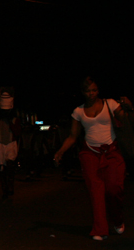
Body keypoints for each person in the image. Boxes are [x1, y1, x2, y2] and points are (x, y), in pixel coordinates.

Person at [53, 77, 133, 241]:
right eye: (88, 91)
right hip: (90, 153)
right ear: (83, 93)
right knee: (96, 192)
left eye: (94, 90)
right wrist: (60, 152)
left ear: (98, 90)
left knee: (114, 189)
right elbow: (73, 136)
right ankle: (100, 229)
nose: (92, 93)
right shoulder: (78, 111)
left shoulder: (110, 104)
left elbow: (126, 119)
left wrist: (129, 106)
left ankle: (117, 220)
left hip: (112, 151)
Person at [0, 87, 21, 199]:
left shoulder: (14, 119)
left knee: (10, 167)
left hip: (11, 144)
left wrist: (10, 123)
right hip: (0, 145)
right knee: (2, 168)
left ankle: (10, 187)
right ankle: (4, 189)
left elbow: (18, 132)